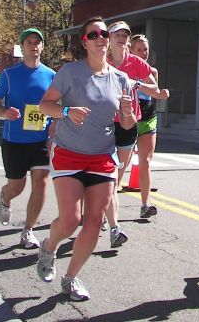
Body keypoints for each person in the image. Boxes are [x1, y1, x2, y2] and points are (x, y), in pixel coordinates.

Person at [36, 16, 137, 302]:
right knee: (71, 220)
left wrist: (128, 112)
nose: (101, 38)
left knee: (93, 221)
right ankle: (49, 246)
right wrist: (67, 112)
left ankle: (70, 278)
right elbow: (45, 105)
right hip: (68, 152)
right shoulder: (71, 72)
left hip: (102, 156)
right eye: (93, 34)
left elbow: (128, 126)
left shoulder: (121, 80)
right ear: (85, 42)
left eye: (104, 33)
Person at [0, 28, 55, 249]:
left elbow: (56, 104)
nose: (34, 46)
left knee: (41, 182)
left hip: (41, 140)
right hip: (15, 140)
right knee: (16, 187)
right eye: (29, 42)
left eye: (37, 42)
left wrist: (55, 120)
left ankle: (28, 230)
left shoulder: (51, 75)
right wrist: (4, 112)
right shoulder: (9, 74)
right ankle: (5, 197)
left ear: (42, 46)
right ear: (22, 47)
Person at [102, 20, 160, 248]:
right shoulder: (102, 62)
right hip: (103, 123)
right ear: (109, 38)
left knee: (116, 175)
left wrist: (136, 83)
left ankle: (106, 215)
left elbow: (154, 88)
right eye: (118, 34)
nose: (122, 38)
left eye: (125, 35)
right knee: (105, 175)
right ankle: (112, 224)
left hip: (128, 122)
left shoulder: (136, 63)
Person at [129, 33, 170, 218]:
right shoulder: (123, 70)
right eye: (139, 49)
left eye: (145, 49)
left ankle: (145, 204)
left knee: (145, 162)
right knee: (119, 165)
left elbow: (155, 94)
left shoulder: (152, 71)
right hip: (127, 120)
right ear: (131, 50)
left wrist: (162, 94)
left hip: (147, 118)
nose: (143, 53)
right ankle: (104, 208)